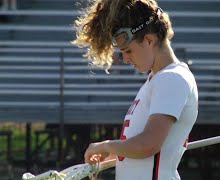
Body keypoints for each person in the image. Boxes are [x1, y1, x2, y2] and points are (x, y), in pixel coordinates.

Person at [72, 0, 198, 179]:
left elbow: (148, 145)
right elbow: (140, 152)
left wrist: (106, 145)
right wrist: (108, 155)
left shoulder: (172, 78)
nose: (125, 59)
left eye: (128, 51)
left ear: (149, 40)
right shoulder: (156, 80)